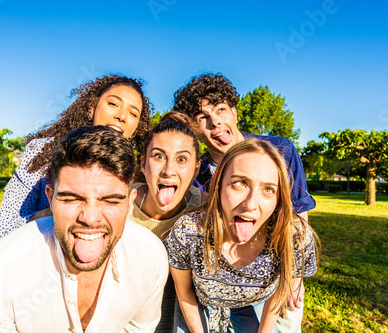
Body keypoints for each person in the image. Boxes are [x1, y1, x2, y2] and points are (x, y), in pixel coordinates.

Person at [0, 126, 168, 333]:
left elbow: (137, 328)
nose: (90, 218)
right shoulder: (0, 274)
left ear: (130, 203)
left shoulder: (150, 258)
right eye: (72, 198)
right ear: (50, 198)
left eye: (110, 200)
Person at [173, 73, 315, 330]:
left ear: (235, 113)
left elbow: (298, 216)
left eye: (221, 110)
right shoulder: (197, 175)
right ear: (194, 128)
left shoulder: (279, 151)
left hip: (271, 284)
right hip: (218, 287)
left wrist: (294, 276)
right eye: (202, 118)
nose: (215, 121)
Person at [0, 75, 152, 257]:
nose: (122, 116)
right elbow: (1, 230)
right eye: (113, 104)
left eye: (134, 113)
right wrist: (58, 212)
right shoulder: (42, 152)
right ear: (91, 108)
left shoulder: (129, 173)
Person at [164, 139, 319, 333]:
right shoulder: (188, 231)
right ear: (218, 185)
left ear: (279, 198)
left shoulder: (293, 236)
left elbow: (279, 292)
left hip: (256, 302)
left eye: (268, 189)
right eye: (240, 183)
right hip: (202, 302)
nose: (251, 204)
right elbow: (184, 291)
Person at [129, 112, 207, 332]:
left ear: (196, 169)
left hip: (178, 311)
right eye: (158, 156)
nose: (168, 170)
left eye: (181, 159)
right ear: (143, 164)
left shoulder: (206, 208)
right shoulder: (120, 203)